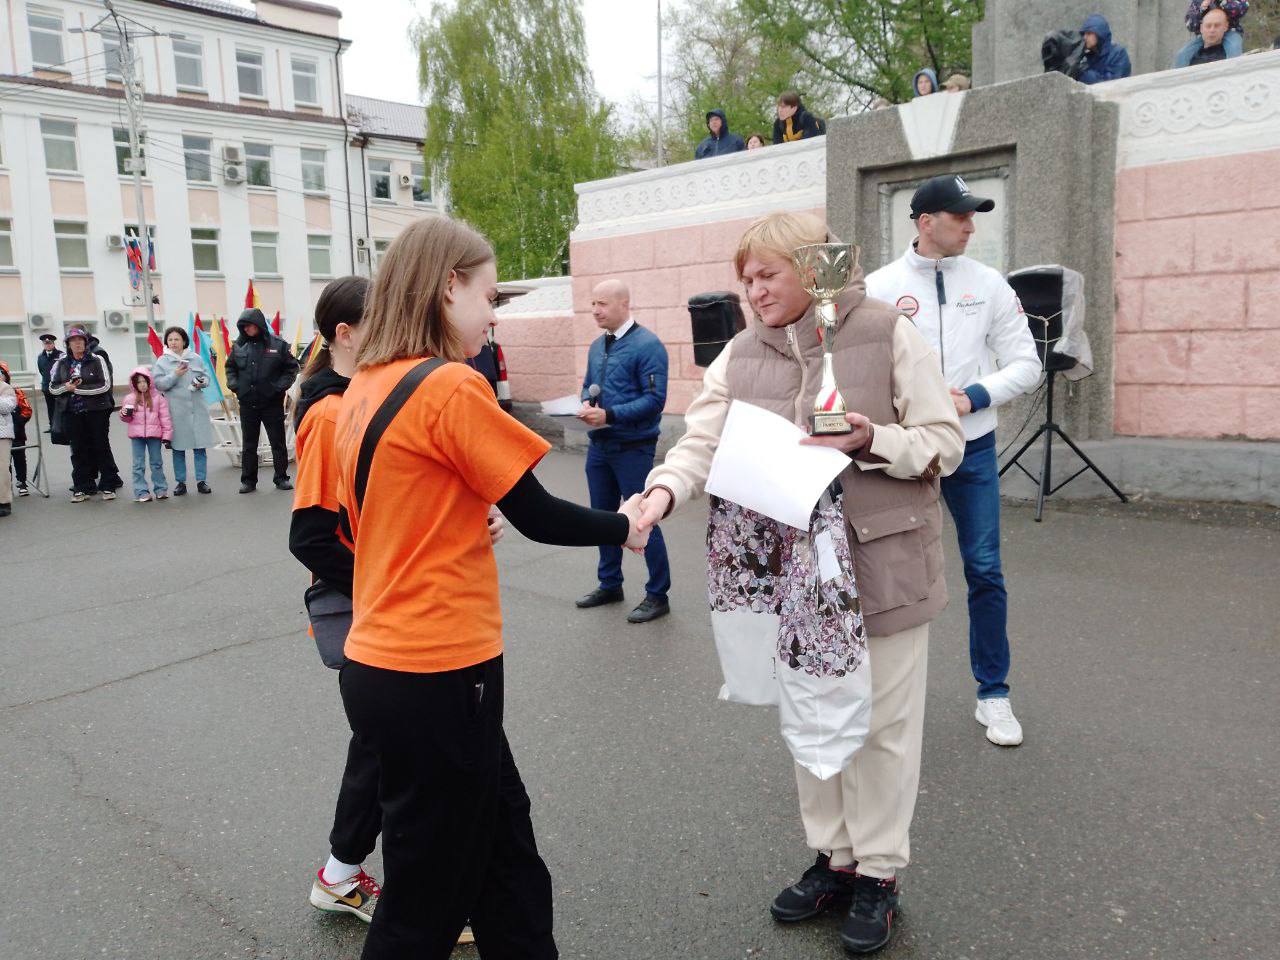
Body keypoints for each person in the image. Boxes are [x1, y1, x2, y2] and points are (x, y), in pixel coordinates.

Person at [635, 211, 963, 955]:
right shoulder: (740, 353)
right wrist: (658, 496)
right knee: (812, 717)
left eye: (767, 275)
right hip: (793, 580)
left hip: (884, 567)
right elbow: (701, 440)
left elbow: (944, 441)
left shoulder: (883, 331)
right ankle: (835, 860)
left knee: (881, 729)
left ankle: (879, 873)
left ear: (814, 269)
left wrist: (871, 437)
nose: (752, 292)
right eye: (744, 279)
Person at [333, 215, 649, 957]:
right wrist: (624, 525)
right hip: (439, 668)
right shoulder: (448, 385)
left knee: (505, 849)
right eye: (486, 292)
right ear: (448, 287)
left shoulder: (365, 386)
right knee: (425, 899)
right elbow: (535, 512)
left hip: (385, 664)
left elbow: (377, 520)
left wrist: (451, 524)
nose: (494, 312)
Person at [864, 174, 1042, 748]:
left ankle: (994, 694)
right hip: (904, 450)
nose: (970, 225)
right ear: (924, 222)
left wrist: (976, 395)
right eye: (960, 215)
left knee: (984, 569)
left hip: (973, 447)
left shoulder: (989, 284)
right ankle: (873, 690)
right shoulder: (877, 287)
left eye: (974, 216)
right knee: (886, 570)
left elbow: (1027, 362)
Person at [575, 278, 672, 624]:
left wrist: (610, 414)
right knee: (602, 519)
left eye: (601, 304)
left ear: (623, 304)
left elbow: (655, 401)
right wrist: (587, 402)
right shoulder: (597, 345)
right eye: (593, 304)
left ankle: (658, 594)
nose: (595, 311)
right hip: (600, 446)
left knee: (644, 519)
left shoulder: (648, 345)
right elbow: (589, 383)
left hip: (633, 447)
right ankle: (610, 584)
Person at [226, 306, 299, 493]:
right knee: (249, 443)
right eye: (244, 327)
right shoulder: (239, 346)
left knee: (278, 442)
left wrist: (278, 388)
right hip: (247, 402)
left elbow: (291, 369)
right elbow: (230, 368)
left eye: (250, 326)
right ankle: (248, 481)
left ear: (259, 325)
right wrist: (235, 386)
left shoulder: (278, 345)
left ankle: (281, 477)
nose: (247, 330)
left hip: (272, 402)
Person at [49, 327, 119, 502]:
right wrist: (67, 388)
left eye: (81, 340)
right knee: (78, 449)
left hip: (97, 410)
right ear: (68, 344)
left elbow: (105, 385)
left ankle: (108, 485)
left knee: (100, 446)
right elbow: (52, 387)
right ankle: (82, 487)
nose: (78, 343)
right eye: (73, 341)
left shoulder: (97, 359)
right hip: (72, 412)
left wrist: (78, 390)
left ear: (86, 342)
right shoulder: (62, 362)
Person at [153, 326, 215, 495]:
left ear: (184, 341)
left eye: (177, 339)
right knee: (178, 448)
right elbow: (159, 384)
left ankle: (202, 481)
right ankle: (181, 482)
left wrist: (202, 381)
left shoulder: (195, 358)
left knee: (199, 446)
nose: (173, 342)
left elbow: (207, 377)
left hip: (197, 409)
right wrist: (175, 374)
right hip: (176, 411)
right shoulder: (162, 361)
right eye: (170, 339)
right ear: (166, 342)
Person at [120, 366, 172, 503]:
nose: (142, 384)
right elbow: (127, 419)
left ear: (149, 382)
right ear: (134, 384)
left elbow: (165, 418)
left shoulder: (158, 398)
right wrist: (124, 414)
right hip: (137, 437)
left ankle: (161, 489)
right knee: (138, 465)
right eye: (138, 382)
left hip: (154, 435)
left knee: (156, 463)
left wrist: (167, 436)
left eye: (144, 381)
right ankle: (141, 491)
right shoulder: (129, 398)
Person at [1174, 1, 1247, 66]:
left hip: (1230, 31)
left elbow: (1242, 8)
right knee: (1182, 54)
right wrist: (1202, 10)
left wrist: (1223, 2)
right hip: (1205, 35)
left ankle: (1235, 72)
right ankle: (1178, 77)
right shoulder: (1197, 2)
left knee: (1234, 47)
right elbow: (1190, 25)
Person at [0, 360, 30, 498]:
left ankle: (22, 482)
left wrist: (18, 423)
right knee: (5, 463)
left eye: (2, 373)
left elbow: (27, 410)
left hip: (17, 433)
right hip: (3, 434)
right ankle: (7, 486)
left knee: (20, 458)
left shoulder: (16, 391)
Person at [1077, 14, 1131, 84]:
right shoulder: (1087, 56)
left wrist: (1081, 71)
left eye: (1089, 33)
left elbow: (1111, 84)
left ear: (1100, 34)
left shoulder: (1118, 54)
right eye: (1084, 34)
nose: (1085, 37)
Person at [0, 362, 17, 517]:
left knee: (2, 468)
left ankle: (4, 501)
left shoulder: (5, 387)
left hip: (2, 433)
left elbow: (7, 407)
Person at [36, 333, 62, 429]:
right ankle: (52, 426)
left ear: (53, 344)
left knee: (59, 407)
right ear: (43, 344)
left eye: (50, 343)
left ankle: (61, 426)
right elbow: (41, 370)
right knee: (50, 407)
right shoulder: (41, 357)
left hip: (58, 386)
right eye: (46, 343)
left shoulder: (60, 355)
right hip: (47, 386)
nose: (48, 345)